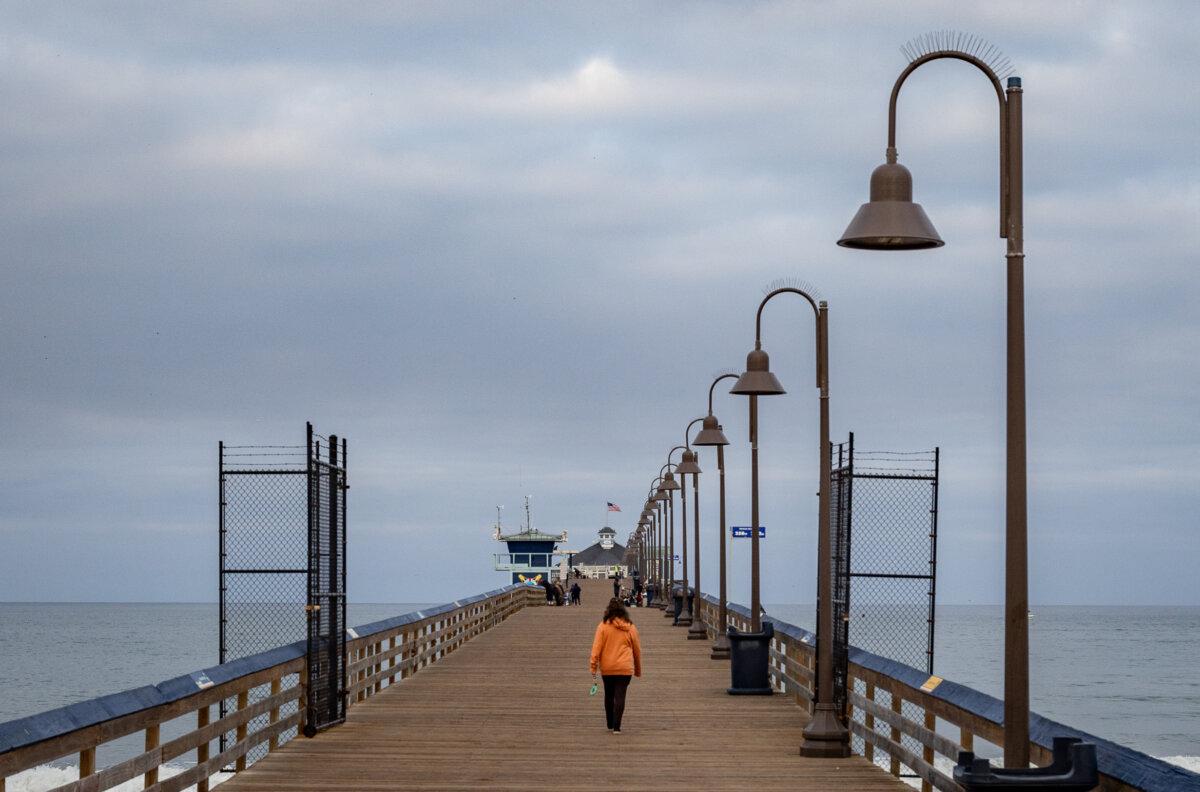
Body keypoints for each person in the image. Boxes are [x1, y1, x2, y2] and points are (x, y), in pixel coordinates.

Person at [589, 598, 642, 734]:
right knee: (620, 696)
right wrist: (637, 669)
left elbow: (596, 649)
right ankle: (617, 727)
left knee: (609, 694)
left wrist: (593, 667)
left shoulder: (602, 626)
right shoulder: (630, 627)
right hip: (625, 668)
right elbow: (637, 650)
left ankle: (610, 723)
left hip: (608, 668)